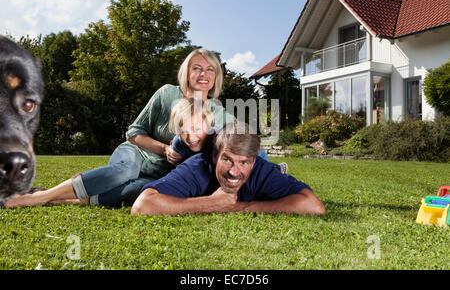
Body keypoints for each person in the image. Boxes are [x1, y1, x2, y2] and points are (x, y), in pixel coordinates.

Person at [3, 49, 232, 208]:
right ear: (187, 72)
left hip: (162, 173)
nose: (203, 74)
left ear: (216, 77)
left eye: (210, 69)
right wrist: (164, 150)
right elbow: (134, 132)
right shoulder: (166, 93)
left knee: (136, 191)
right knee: (126, 172)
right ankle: (39, 197)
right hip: (136, 153)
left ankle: (63, 198)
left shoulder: (218, 111)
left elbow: (242, 135)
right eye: (197, 68)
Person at [131, 122, 326, 216]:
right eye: (228, 160)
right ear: (215, 156)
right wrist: (212, 203)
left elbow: (314, 206)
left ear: (253, 161)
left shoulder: (261, 169)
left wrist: (237, 207)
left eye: (244, 162)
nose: (234, 172)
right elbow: (142, 206)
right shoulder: (198, 166)